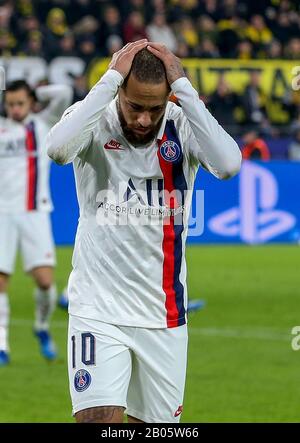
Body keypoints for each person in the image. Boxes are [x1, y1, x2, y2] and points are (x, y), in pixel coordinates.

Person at [46, 39, 241, 423]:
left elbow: (229, 164)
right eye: (135, 106)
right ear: (118, 89)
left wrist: (183, 87)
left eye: (154, 109)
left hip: (163, 315)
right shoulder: (93, 118)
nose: (143, 120)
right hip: (97, 310)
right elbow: (58, 150)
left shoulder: (182, 125)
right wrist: (108, 80)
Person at [0, 79, 73, 366]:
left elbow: (64, 91)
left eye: (20, 103)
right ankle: (2, 342)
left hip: (35, 212)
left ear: (30, 102)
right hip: (2, 214)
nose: (15, 109)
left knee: (45, 282)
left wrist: (35, 91)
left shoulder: (43, 125)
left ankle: (41, 328)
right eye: (10, 104)